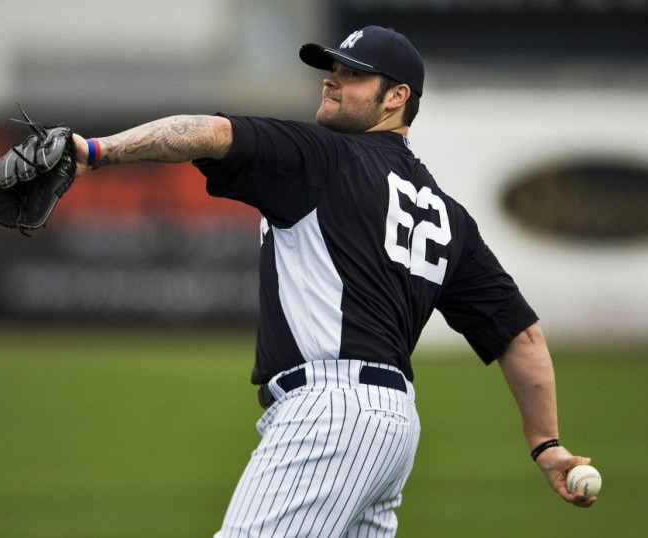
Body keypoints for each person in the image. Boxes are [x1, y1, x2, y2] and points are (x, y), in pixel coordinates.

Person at [73, 25, 595, 537]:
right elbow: (520, 336)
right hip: (392, 428)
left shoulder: (327, 157)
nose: (332, 79)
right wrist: (546, 443)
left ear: (397, 97)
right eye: (333, 68)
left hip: (331, 414)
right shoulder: (450, 218)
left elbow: (210, 133)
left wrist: (92, 153)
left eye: (354, 74)